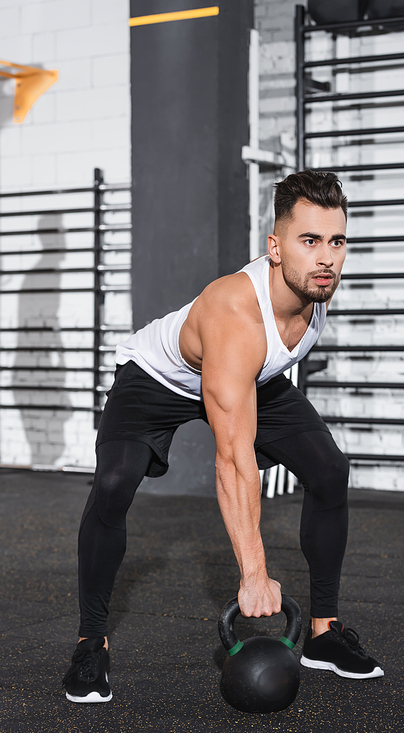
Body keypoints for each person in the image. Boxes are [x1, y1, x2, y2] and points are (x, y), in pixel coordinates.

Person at [62, 170, 384, 703]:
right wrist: (254, 574)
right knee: (114, 485)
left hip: (244, 376)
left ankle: (323, 635)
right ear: (275, 248)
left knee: (329, 471)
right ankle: (90, 642)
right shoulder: (237, 311)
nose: (326, 257)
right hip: (156, 380)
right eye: (309, 241)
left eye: (337, 241)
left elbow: (251, 385)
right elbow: (233, 459)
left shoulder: (315, 291)